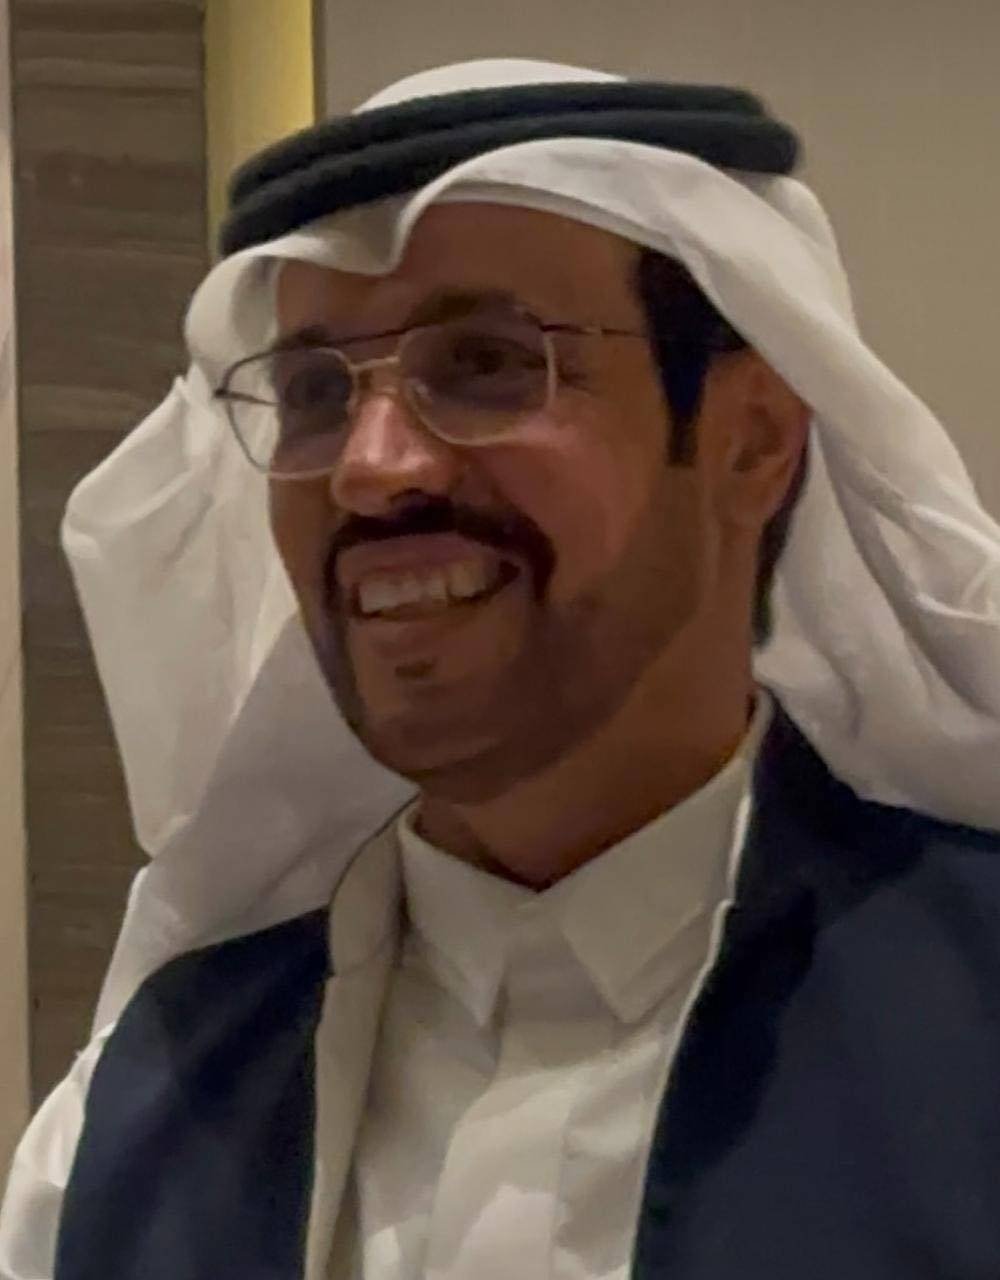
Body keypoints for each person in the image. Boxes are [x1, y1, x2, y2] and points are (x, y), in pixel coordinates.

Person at [3, 58, 1000, 1280]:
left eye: (484, 362)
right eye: (313, 391)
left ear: (748, 441)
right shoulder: (131, 1122)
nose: (371, 467)